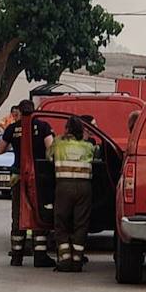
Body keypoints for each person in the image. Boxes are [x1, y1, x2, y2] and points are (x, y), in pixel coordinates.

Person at [0, 98, 54, 267]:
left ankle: (16, 256)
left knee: (18, 214)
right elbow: (50, 150)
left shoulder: (12, 128)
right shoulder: (43, 127)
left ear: (20, 112)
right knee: (38, 213)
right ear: (34, 111)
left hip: (18, 176)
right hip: (38, 177)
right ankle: (40, 256)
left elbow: (0, 150)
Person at [50, 117, 96, 273]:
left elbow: (48, 157)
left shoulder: (58, 143)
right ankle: (77, 261)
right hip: (85, 188)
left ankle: (64, 260)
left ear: (67, 129)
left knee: (61, 222)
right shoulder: (88, 147)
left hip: (64, 186)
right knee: (81, 224)